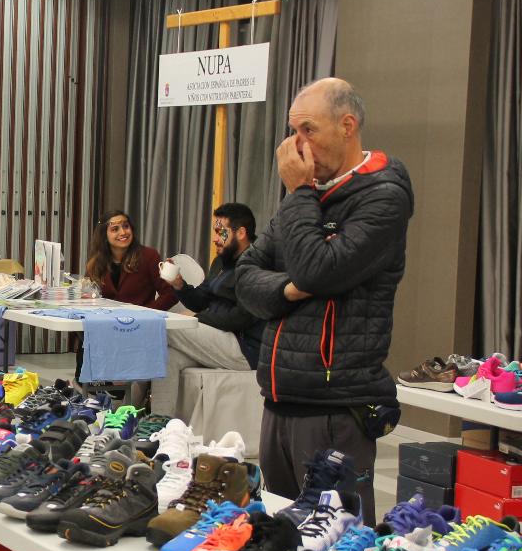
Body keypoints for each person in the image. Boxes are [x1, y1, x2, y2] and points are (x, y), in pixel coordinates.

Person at [235, 78, 413, 523]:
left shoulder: (383, 196)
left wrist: (298, 194)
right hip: (279, 400)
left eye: (308, 130)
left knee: (335, 543)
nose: (298, 146)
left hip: (335, 408)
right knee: (280, 539)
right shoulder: (311, 198)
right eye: (293, 131)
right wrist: (290, 289)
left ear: (347, 126)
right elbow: (245, 278)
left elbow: (319, 268)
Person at [146, 203, 265, 416]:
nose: (215, 238)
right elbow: (201, 299)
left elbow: (241, 317)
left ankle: (128, 404)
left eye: (221, 232)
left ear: (241, 232)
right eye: (215, 231)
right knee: (168, 355)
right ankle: (161, 424)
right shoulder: (221, 261)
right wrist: (179, 285)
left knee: (162, 328)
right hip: (219, 338)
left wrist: (198, 318)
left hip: (244, 347)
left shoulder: (257, 265)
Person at [83, 211, 178, 310]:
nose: (123, 232)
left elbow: (170, 295)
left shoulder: (149, 256)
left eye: (126, 226)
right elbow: (87, 293)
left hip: (140, 323)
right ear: (104, 236)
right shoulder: (96, 261)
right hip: (105, 321)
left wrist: (147, 313)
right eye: (115, 229)